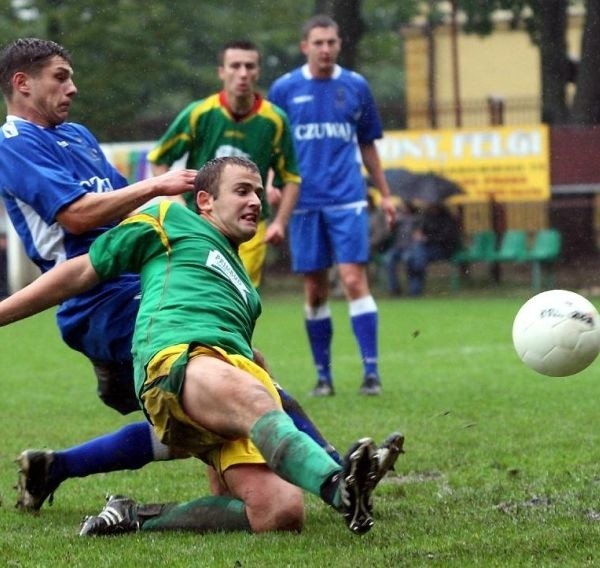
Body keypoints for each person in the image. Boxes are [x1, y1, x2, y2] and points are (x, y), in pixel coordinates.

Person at [0, 38, 338, 513]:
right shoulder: (12, 144)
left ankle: (58, 466)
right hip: (97, 298)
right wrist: (159, 185)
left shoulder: (77, 136)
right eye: (60, 77)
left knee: (207, 409)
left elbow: (129, 211)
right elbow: (77, 216)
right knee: (231, 380)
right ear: (22, 83)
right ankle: (336, 467)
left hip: (136, 281)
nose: (73, 87)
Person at [0, 156, 403, 536]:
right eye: (242, 190)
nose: (255, 201)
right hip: (176, 361)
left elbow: (245, 356)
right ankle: (338, 486)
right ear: (205, 201)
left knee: (280, 511)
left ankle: (133, 517)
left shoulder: (246, 290)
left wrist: (259, 371)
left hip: (223, 385)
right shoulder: (168, 218)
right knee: (253, 393)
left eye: (259, 193)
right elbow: (80, 271)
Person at [268, 15, 396, 397]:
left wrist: (385, 193)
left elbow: (367, 143)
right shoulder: (285, 88)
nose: (325, 49)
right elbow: (274, 141)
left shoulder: (356, 86)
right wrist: (272, 184)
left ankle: (371, 372)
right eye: (318, 42)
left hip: (347, 198)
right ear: (304, 46)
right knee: (315, 289)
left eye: (331, 42)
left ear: (339, 45)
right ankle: (323, 377)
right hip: (304, 202)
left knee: (354, 279)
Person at [147, 40, 300, 289]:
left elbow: (292, 177)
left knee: (239, 297)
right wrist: (177, 204)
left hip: (250, 224)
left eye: (249, 66)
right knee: (199, 292)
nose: (242, 73)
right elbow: (159, 159)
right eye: (235, 65)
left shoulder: (275, 120)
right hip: (200, 221)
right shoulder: (200, 113)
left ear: (258, 72)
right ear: (222, 71)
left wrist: (280, 222)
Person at [403, 201, 461, 296]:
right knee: (415, 256)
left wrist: (427, 238)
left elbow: (446, 238)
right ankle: (415, 289)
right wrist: (418, 234)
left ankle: (415, 290)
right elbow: (422, 231)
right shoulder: (426, 217)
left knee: (416, 258)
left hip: (443, 249)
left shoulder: (447, 219)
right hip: (426, 249)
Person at [383, 200, 418, 296]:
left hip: (411, 248)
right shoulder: (398, 219)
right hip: (398, 247)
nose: (403, 208)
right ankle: (394, 288)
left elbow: (418, 235)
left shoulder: (416, 220)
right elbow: (388, 232)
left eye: (404, 206)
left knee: (408, 261)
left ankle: (413, 290)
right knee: (388, 260)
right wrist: (391, 221)